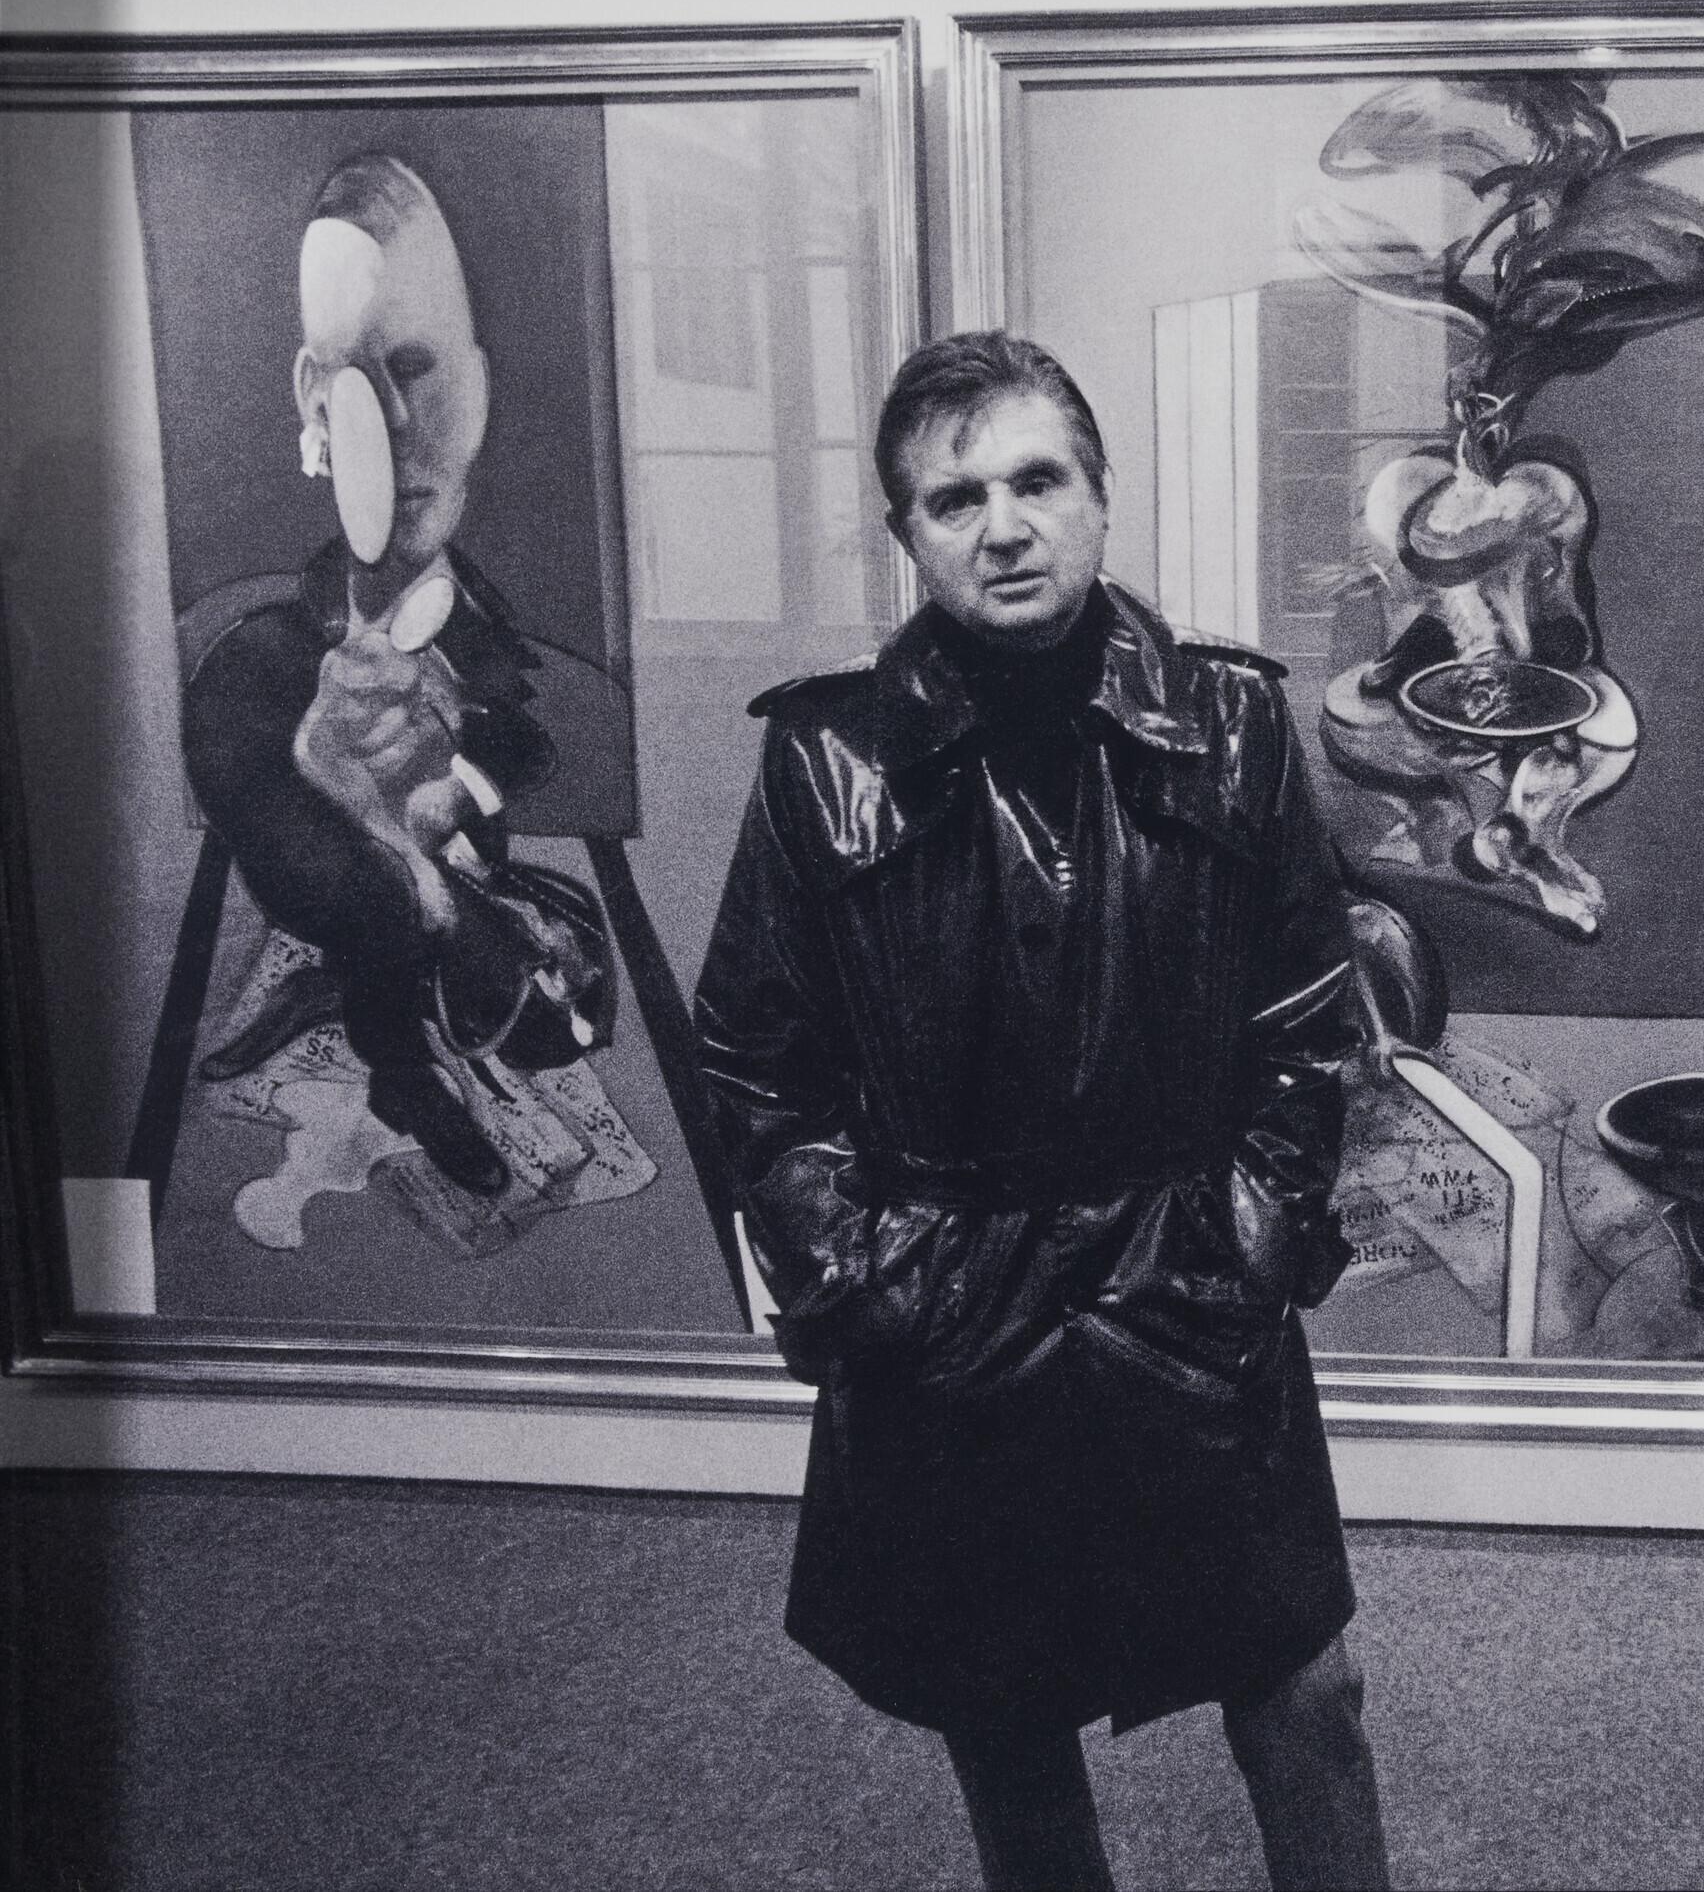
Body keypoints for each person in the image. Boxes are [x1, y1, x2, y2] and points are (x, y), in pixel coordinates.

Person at [691, 330, 1390, 1892]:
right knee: (1007, 1720)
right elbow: (754, 1058)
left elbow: (1307, 1012)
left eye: (1035, 478)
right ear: (909, 536)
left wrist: (1257, 1228)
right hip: (953, 1313)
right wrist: (874, 1276)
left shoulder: (1232, 720)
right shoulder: (822, 762)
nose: (1002, 524)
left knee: (1307, 1692)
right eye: (955, 498)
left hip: (1190, 1292)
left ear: (1098, 494)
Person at [181, 151, 614, 1198]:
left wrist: (448, 798)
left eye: (416, 367)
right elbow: (290, 838)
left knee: (556, 1017)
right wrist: (365, 815)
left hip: (459, 876)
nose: (398, 427)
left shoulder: (485, 630)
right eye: (357, 382)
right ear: (312, 403)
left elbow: (527, 737)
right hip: (372, 891)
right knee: (381, 915)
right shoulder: (252, 663)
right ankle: (401, 1076)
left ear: (479, 379)